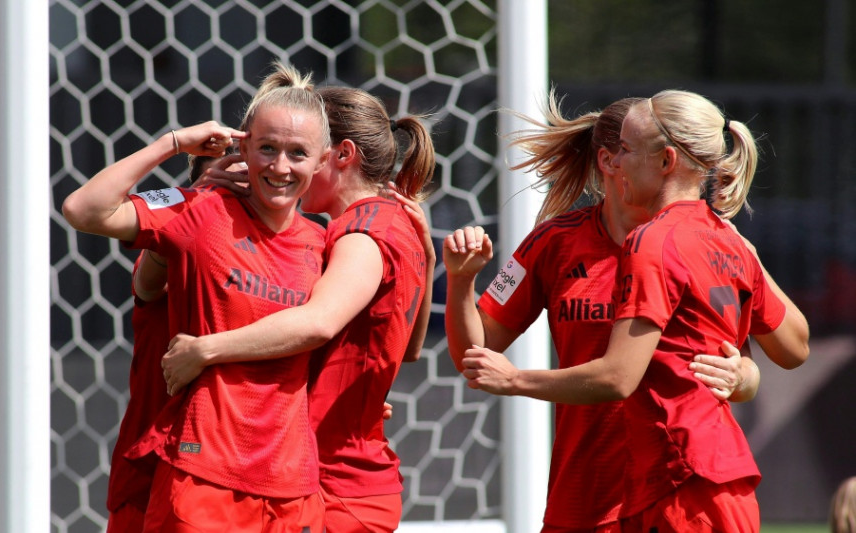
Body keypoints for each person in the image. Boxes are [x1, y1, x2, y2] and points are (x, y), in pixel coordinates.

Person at [452, 89, 810, 532]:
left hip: (674, 481)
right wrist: (460, 281)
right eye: (617, 150)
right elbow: (475, 355)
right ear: (607, 162)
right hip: (589, 489)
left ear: (665, 161)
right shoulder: (554, 243)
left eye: (630, 148)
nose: (621, 160)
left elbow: (779, 350)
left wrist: (745, 376)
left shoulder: (700, 240)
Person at [63, 61, 332, 532]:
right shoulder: (201, 213)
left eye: (297, 153)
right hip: (197, 471)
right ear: (242, 148)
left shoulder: (323, 243)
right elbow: (84, 210)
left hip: (291, 486)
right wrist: (174, 144)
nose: (279, 167)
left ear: (323, 159)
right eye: (266, 149)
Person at [159, 85, 437, 532]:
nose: (287, 168)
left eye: (304, 151)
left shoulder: (360, 235)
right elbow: (408, 350)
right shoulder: (397, 225)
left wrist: (205, 349)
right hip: (355, 475)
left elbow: (319, 322)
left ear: (336, 155)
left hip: (336, 480)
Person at [103, 153, 230, 532]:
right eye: (220, 187)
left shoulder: (279, 260)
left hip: (238, 477)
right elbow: (147, 282)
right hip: (149, 472)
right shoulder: (168, 255)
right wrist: (202, 192)